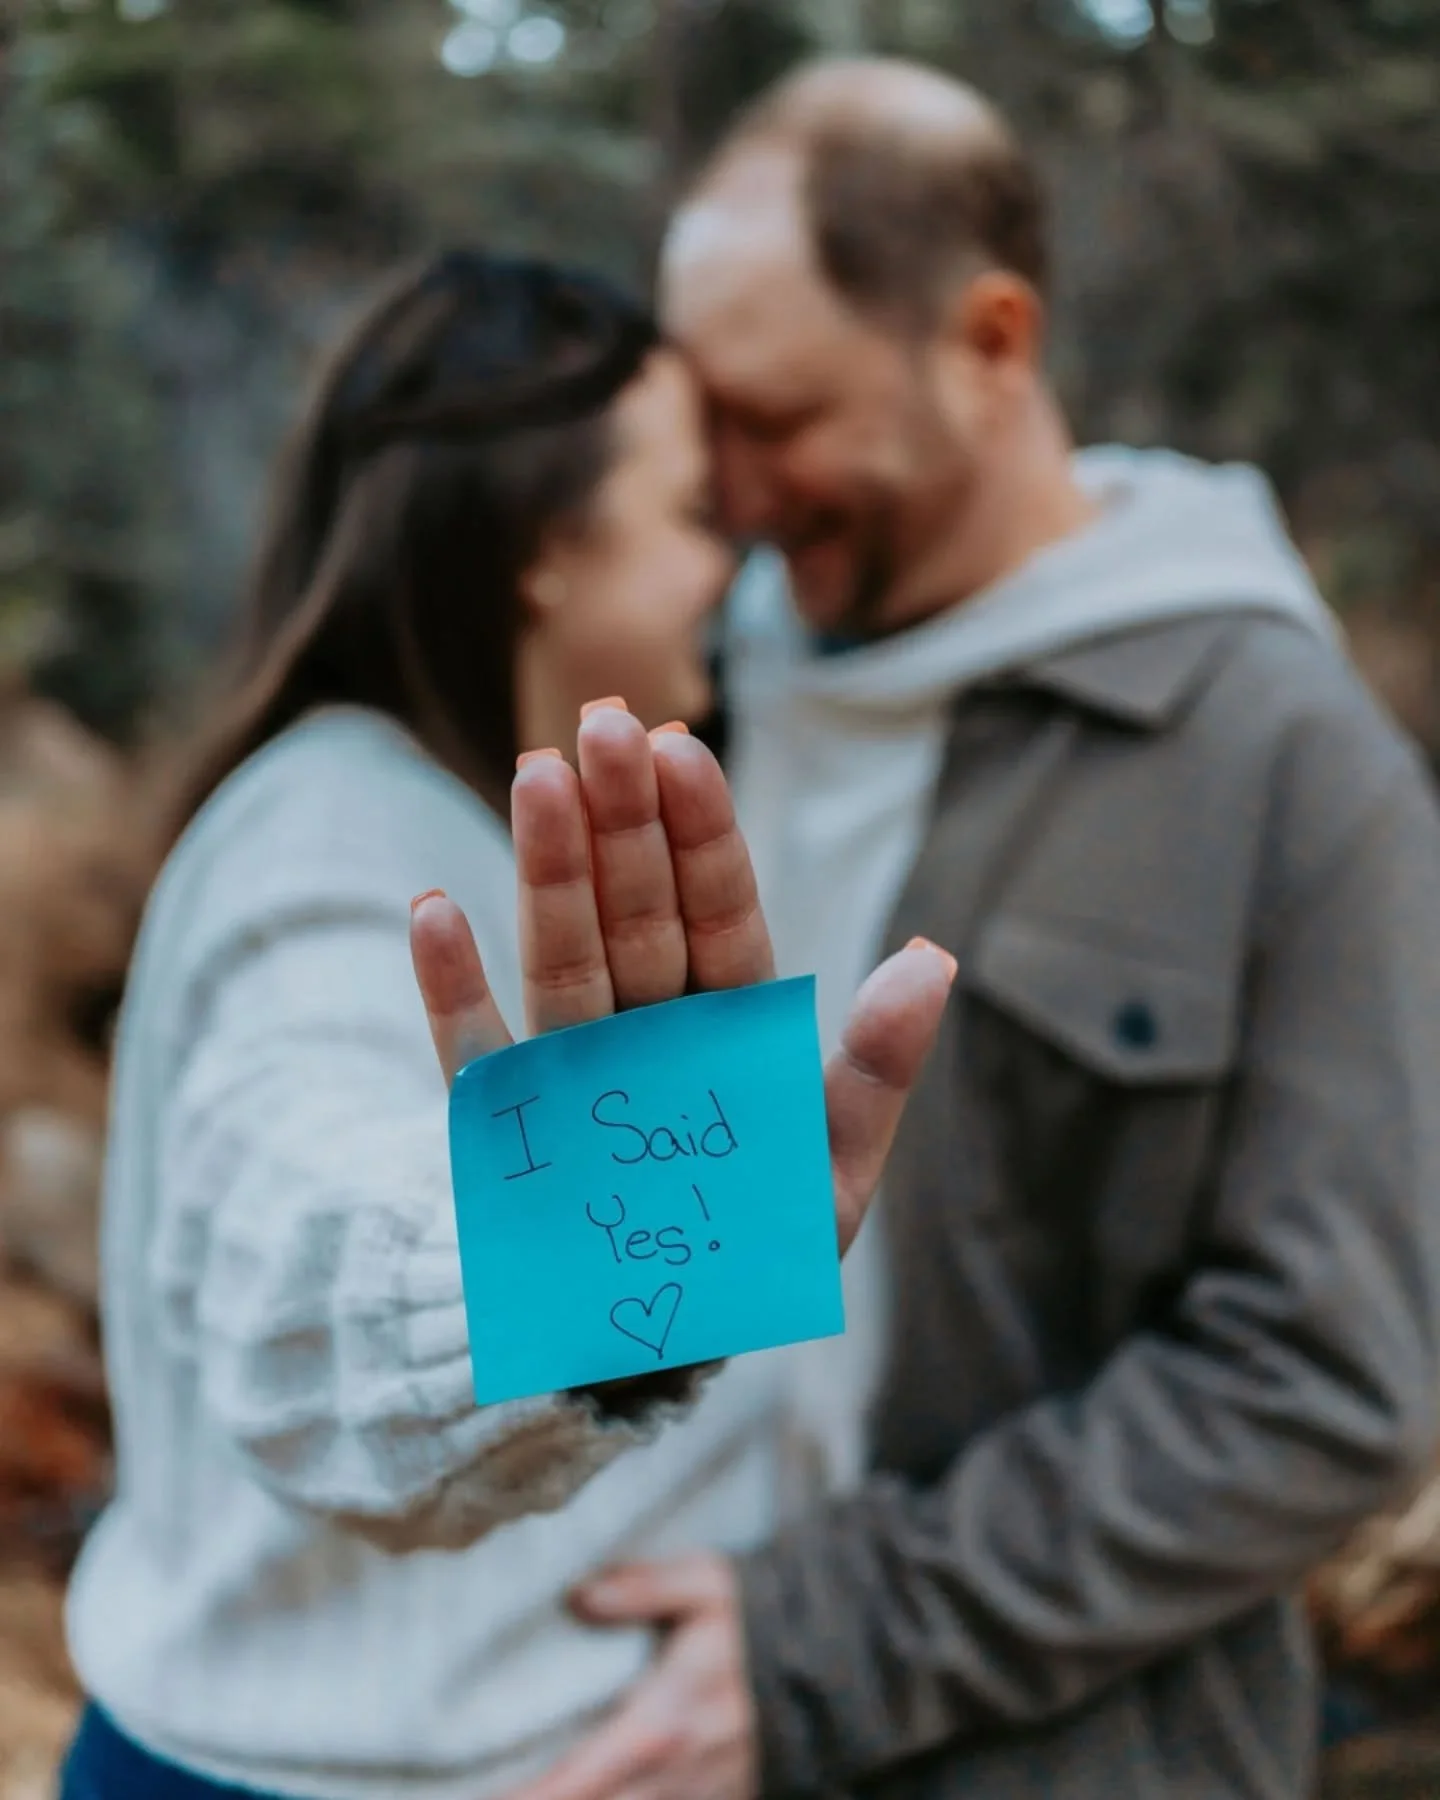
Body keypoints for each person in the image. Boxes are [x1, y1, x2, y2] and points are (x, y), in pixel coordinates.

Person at [497, 58, 1440, 1800]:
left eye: (780, 417)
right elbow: (630, 1249)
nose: (735, 490)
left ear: (991, 342)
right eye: (702, 424)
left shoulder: (1289, 764)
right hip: (611, 1701)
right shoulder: (712, 688)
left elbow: (1329, 1385)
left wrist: (814, 1648)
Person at [58, 247, 955, 1800]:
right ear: (545, 544)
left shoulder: (450, 816)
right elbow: (293, 1255)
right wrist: (556, 1282)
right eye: (690, 519)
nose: (724, 580)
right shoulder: (329, 845)